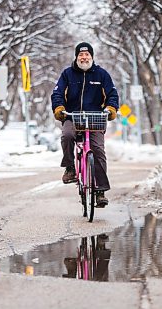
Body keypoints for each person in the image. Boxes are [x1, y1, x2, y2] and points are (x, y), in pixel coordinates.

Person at [51, 42, 119, 208]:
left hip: (95, 118)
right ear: (76, 57)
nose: (84, 57)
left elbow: (112, 94)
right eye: (81, 55)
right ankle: (70, 168)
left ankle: (100, 191)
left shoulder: (102, 75)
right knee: (67, 136)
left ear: (91, 56)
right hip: (72, 117)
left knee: (98, 150)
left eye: (87, 54)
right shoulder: (67, 74)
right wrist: (59, 108)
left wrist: (110, 109)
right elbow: (57, 93)